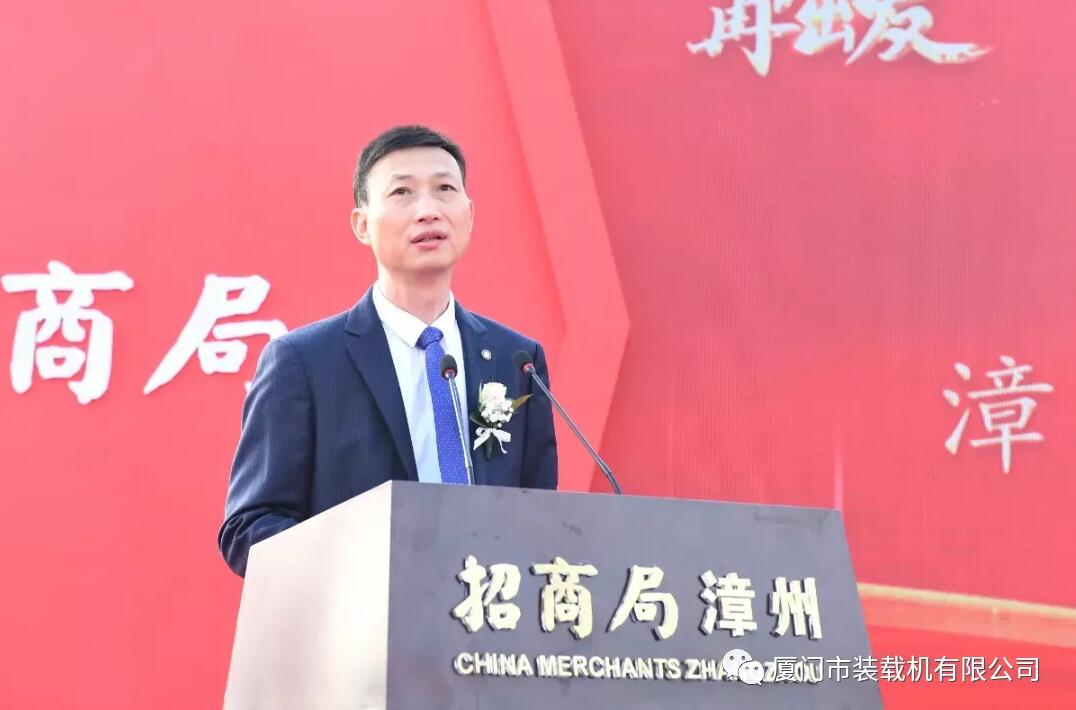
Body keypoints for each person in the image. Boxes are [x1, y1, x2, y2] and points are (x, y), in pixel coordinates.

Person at [218, 125, 558, 576]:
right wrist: (370, 566)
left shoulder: (516, 359)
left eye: (445, 190)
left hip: (487, 610)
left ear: (469, 214)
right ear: (362, 224)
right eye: (402, 192)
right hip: (361, 614)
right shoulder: (303, 362)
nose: (428, 211)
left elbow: (539, 517)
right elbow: (250, 528)